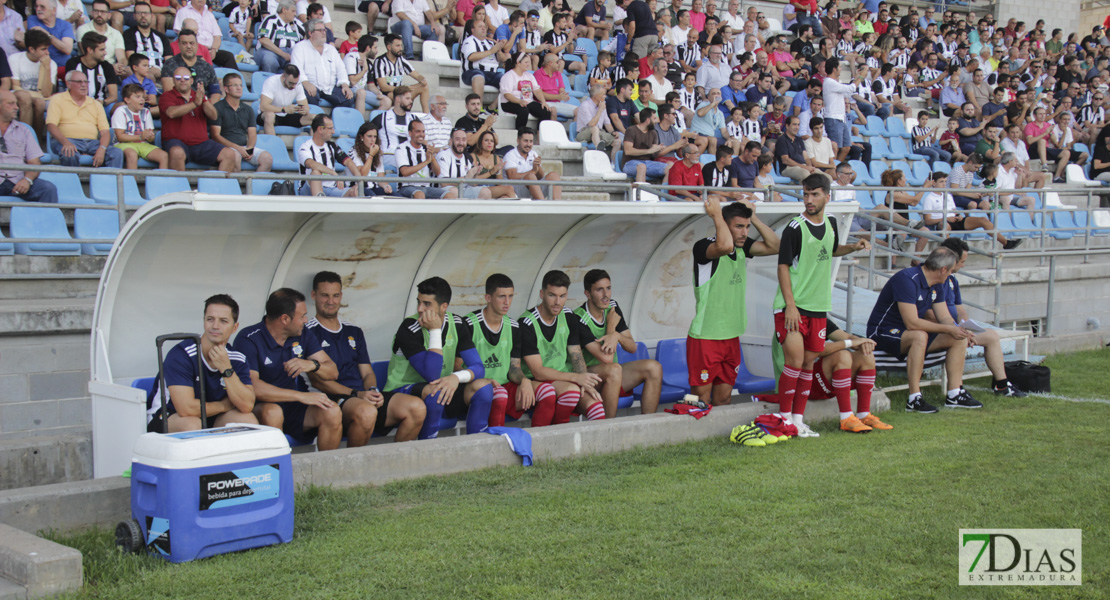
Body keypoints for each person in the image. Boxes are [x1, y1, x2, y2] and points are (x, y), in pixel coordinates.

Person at [773, 174, 870, 437]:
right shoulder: (794, 227)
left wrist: (852, 247)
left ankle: (798, 418)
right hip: (792, 307)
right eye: (805, 194)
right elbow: (782, 265)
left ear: (827, 196)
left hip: (817, 308)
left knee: (808, 362)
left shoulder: (831, 224)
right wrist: (790, 305)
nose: (808, 200)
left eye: (814, 194)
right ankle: (784, 419)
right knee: (794, 360)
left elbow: (831, 249)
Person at [305, 272, 426, 445]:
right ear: (314, 295)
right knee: (366, 411)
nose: (331, 301)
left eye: (336, 295)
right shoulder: (307, 332)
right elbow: (319, 382)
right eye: (325, 295)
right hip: (330, 399)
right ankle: (355, 468)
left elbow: (367, 371)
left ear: (341, 296)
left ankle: (394, 468)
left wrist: (372, 390)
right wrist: (357, 394)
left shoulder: (353, 331)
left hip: (361, 395)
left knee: (417, 408)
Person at [866, 248, 982, 413]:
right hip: (882, 332)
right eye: (950, 272)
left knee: (957, 338)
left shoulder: (937, 284)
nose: (950, 275)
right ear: (943, 270)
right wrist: (949, 329)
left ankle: (954, 394)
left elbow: (945, 317)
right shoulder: (907, 279)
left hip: (909, 334)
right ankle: (914, 398)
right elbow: (912, 322)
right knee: (919, 336)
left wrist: (960, 331)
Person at [688, 197, 779, 406]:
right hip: (706, 337)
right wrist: (717, 215)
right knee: (699, 398)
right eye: (739, 226)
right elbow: (724, 245)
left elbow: (775, 246)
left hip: (731, 337)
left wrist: (753, 217)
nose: (745, 232)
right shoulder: (703, 247)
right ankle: (691, 430)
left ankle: (718, 436)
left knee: (724, 398)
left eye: (746, 227)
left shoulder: (741, 247)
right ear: (724, 223)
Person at [384, 276, 497, 439]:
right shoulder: (409, 327)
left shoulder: (457, 323)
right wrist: (435, 331)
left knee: (483, 387)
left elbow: (479, 368)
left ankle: (476, 446)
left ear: (444, 306)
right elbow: (432, 375)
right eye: (419, 302)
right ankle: (429, 449)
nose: (420, 309)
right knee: (435, 391)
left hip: (442, 388)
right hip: (402, 391)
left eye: (427, 304)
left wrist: (455, 377)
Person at [236, 288, 344, 450]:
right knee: (273, 412)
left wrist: (312, 365)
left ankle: (326, 472)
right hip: (260, 407)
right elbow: (253, 387)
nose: (306, 320)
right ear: (285, 319)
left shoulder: (302, 334)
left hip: (291, 405)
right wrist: (300, 396)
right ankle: (280, 471)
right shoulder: (249, 339)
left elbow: (332, 372)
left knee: (332, 410)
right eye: (302, 316)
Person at [928, 238, 1028, 398]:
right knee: (959, 339)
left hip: (955, 329)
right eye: (962, 261)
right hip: (938, 333)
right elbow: (929, 315)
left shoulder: (952, 280)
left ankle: (1002, 385)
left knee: (991, 336)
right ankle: (956, 392)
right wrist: (956, 332)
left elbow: (960, 310)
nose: (963, 265)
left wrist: (966, 328)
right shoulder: (932, 279)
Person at [148, 294, 257, 433]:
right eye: (210, 319)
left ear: (235, 327)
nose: (215, 326)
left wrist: (226, 369)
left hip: (209, 416)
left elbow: (247, 405)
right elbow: (186, 409)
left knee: (247, 421)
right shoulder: (182, 354)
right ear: (204, 321)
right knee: (192, 424)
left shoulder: (237, 358)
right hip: (168, 416)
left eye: (223, 321)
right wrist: (224, 406)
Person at [518, 270, 606, 423]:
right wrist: (576, 378)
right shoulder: (527, 323)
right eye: (552, 295)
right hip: (538, 381)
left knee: (597, 408)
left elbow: (576, 355)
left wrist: (584, 380)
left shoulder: (569, 316)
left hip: (563, 377)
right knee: (571, 393)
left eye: (562, 296)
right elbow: (538, 372)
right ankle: (554, 439)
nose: (557, 302)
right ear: (542, 294)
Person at [574, 269, 663, 418]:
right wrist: (611, 329)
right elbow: (607, 358)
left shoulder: (613, 306)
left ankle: (648, 425)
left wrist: (617, 336)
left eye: (608, 288)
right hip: (587, 377)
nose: (606, 295)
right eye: (599, 290)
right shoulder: (578, 318)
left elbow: (632, 347)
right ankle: (609, 427)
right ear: (588, 294)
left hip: (612, 373)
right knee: (614, 369)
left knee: (654, 368)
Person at [160, 67, 240, 172]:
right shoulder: (166, 96)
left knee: (229, 154)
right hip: (176, 142)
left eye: (186, 78)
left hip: (201, 144)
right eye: (178, 78)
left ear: (192, 80)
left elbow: (214, 116)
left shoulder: (199, 96)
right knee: (177, 152)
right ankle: (180, 187)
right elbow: (171, 113)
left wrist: (204, 100)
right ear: (173, 81)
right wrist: (194, 104)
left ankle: (218, 188)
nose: (182, 80)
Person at [921, 171, 1021, 250]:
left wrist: (958, 215)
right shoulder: (929, 198)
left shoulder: (948, 195)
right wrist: (946, 218)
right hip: (942, 222)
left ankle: (1006, 243)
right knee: (944, 226)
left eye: (945, 182)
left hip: (954, 220)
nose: (944, 184)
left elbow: (954, 210)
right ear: (933, 183)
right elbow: (928, 220)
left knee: (983, 220)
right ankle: (951, 251)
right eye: (941, 182)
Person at [46, 70, 123, 168]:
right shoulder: (57, 99)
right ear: (68, 84)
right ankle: (72, 183)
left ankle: (110, 183)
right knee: (69, 153)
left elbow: (105, 132)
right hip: (67, 140)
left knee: (116, 153)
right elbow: (51, 126)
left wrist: (102, 149)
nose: (84, 85)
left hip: (92, 143)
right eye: (79, 82)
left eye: (86, 82)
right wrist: (66, 143)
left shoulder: (95, 104)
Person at [292, 19, 366, 115]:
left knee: (348, 99)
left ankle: (330, 121)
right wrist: (305, 82)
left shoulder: (331, 49)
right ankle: (317, 122)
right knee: (308, 96)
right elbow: (296, 68)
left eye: (325, 30)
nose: (324, 33)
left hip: (330, 87)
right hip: (311, 85)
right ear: (311, 33)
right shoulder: (300, 47)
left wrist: (345, 85)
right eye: (320, 30)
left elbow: (341, 68)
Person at [0, 90, 58, 203]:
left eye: (16, 103)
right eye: (11, 103)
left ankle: (46, 221)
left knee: (48, 189)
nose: (16, 107)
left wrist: (27, 180)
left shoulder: (24, 131)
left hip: (17, 180)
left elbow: (35, 163)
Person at [211, 72, 273, 172]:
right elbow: (216, 136)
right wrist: (238, 148)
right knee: (234, 156)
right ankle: (236, 186)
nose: (239, 88)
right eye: (235, 85)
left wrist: (250, 149)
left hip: (244, 147)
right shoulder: (218, 108)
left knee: (267, 158)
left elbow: (252, 133)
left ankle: (254, 186)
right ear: (226, 89)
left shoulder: (248, 109)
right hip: (226, 148)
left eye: (240, 85)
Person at [395, 119, 458, 199]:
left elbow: (438, 172)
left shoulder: (426, 148)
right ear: (410, 133)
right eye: (418, 131)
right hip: (406, 187)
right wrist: (426, 161)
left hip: (426, 188)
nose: (421, 134)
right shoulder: (401, 148)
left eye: (423, 131)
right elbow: (405, 172)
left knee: (450, 195)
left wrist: (432, 159)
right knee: (419, 194)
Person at [298, 114, 357, 197]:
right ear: (320, 129)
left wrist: (359, 182)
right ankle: (320, 206)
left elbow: (349, 162)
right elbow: (312, 164)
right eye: (330, 128)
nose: (333, 132)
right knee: (316, 172)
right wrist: (333, 173)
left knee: (355, 191)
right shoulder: (305, 147)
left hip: (332, 189)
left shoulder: (332, 146)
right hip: (308, 190)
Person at [112, 83, 168, 169]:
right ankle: (131, 182)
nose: (142, 99)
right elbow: (120, 136)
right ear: (127, 100)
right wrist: (140, 137)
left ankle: (160, 182)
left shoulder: (146, 112)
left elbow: (150, 137)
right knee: (132, 154)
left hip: (142, 144)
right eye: (138, 97)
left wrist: (150, 137)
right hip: (123, 144)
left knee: (164, 156)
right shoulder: (120, 111)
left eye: (143, 97)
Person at [9, 29, 54, 132]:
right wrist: (39, 95)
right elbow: (15, 86)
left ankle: (35, 139)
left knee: (40, 103)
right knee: (25, 97)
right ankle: (23, 136)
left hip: (40, 98)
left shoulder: (51, 64)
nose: (47, 53)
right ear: (31, 49)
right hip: (18, 95)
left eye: (47, 49)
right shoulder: (15, 59)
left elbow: (46, 93)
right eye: (43, 49)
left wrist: (47, 68)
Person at [160, 29, 220, 103]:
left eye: (191, 43)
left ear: (197, 45)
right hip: (180, 108)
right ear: (179, 45)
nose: (188, 46)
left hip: (204, 107)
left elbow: (216, 92)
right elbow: (169, 92)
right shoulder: (170, 64)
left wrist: (208, 107)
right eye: (184, 43)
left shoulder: (206, 66)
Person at [375, 34, 431, 113]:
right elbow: (383, 87)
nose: (401, 48)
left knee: (424, 86)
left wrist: (422, 79)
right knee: (402, 95)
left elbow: (416, 75)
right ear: (389, 47)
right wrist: (402, 90)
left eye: (401, 45)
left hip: (402, 91)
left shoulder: (401, 59)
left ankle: (426, 116)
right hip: (389, 94)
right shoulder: (380, 61)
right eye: (397, 46)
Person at [172, 0, 236, 69]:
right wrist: (200, 48)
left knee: (229, 56)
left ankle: (234, 79)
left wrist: (214, 49)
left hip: (211, 50)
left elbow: (217, 36)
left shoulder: (209, 14)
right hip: (194, 50)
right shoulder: (183, 12)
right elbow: (181, 35)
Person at [65, 32, 119, 107]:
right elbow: (70, 90)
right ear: (90, 50)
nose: (105, 53)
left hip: (101, 106)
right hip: (77, 106)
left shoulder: (106, 66)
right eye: (101, 50)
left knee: (119, 107)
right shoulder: (73, 64)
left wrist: (102, 102)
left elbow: (114, 96)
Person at [499, 53, 552, 131]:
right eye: (526, 62)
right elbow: (507, 94)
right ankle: (520, 133)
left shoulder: (529, 75)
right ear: (518, 63)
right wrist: (519, 101)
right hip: (510, 102)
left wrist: (543, 102)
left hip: (527, 101)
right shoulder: (509, 76)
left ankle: (540, 135)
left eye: (529, 62)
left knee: (546, 111)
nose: (528, 64)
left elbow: (537, 90)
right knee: (523, 110)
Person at [504, 127, 560, 199]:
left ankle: (557, 207)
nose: (528, 144)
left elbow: (540, 177)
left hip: (534, 188)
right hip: (516, 190)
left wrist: (537, 167)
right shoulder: (510, 155)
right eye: (526, 141)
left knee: (554, 175)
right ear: (518, 141)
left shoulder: (533, 154)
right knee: (530, 176)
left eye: (531, 141)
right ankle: (542, 206)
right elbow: (512, 177)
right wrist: (532, 171)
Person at [623, 107, 676, 182]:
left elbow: (653, 154)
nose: (656, 121)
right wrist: (649, 151)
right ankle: (641, 193)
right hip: (630, 163)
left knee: (670, 167)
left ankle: (662, 193)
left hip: (648, 163)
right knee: (642, 167)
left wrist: (658, 149)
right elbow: (628, 151)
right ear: (648, 120)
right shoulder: (631, 130)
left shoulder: (653, 132)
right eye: (654, 118)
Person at [258, 65, 314, 136]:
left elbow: (305, 107)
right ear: (284, 77)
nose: (294, 86)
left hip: (286, 115)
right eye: (291, 83)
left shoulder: (298, 84)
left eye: (295, 83)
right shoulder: (271, 82)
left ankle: (313, 146)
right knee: (269, 115)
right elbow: (263, 107)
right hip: (271, 114)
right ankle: (272, 145)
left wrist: (304, 110)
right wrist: (284, 109)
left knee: (316, 119)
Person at [436, 127, 491, 199]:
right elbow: (443, 183)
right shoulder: (443, 155)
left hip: (463, 189)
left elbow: (473, 184)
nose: (461, 143)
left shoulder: (468, 157)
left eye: (464, 140)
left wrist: (475, 174)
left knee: (485, 192)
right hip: (445, 190)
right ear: (451, 141)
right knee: (454, 191)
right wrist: (466, 177)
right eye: (457, 139)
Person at [460, 17, 508, 98]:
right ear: (473, 30)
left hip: (492, 73)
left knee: (506, 81)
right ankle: (479, 108)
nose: (483, 28)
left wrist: (499, 50)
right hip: (473, 72)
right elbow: (471, 57)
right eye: (480, 26)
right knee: (479, 77)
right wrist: (490, 51)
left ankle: (492, 108)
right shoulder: (469, 41)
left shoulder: (491, 42)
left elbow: (503, 60)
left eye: (484, 27)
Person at [26, 0, 75, 78]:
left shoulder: (65, 25)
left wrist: (47, 34)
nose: (38, 9)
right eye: (37, 6)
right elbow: (35, 41)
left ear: (54, 10)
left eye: (42, 7)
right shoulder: (32, 19)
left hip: (62, 67)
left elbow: (67, 49)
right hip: (41, 66)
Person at [122, 2, 170, 80]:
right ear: (134, 16)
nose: (143, 16)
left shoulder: (161, 37)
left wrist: (163, 72)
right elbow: (131, 58)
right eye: (139, 13)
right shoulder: (129, 34)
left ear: (152, 16)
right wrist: (150, 69)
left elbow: (169, 60)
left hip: (161, 73)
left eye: (146, 13)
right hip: (140, 73)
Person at [255, 0, 304, 74]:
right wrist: (283, 54)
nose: (295, 14)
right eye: (293, 11)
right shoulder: (270, 20)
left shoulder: (296, 23)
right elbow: (263, 40)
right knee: (269, 60)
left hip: (290, 53)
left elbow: (308, 34)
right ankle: (270, 82)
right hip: (269, 51)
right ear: (284, 10)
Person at [348, 122, 393, 196]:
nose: (372, 140)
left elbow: (380, 177)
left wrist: (386, 186)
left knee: (396, 197)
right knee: (372, 196)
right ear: (361, 137)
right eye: (369, 136)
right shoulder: (353, 151)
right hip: (359, 187)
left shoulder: (377, 153)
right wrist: (371, 155)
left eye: (375, 137)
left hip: (374, 187)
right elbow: (362, 175)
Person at [574, 84, 618, 157]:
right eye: (603, 94)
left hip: (599, 132)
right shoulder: (585, 105)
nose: (605, 96)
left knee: (617, 141)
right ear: (597, 97)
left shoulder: (602, 105)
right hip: (583, 133)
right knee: (594, 129)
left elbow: (607, 123)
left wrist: (613, 132)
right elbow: (591, 124)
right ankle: (599, 152)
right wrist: (600, 110)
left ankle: (612, 164)